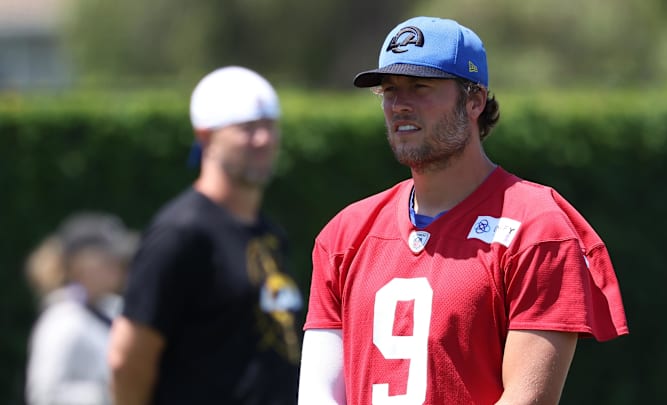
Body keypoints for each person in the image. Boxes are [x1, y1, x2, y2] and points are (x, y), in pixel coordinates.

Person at [298, 16, 629, 405]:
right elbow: (318, 393)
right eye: (389, 90)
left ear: (474, 100)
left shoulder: (537, 227)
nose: (399, 105)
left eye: (420, 87)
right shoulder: (345, 233)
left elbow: (528, 399)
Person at [107, 66, 303, 405]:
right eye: (247, 128)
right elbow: (126, 358)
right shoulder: (181, 233)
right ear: (205, 136)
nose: (264, 139)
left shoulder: (269, 234)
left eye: (270, 126)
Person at [25, 212, 137, 405]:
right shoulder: (61, 321)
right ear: (79, 265)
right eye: (107, 258)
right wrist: (113, 391)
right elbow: (44, 395)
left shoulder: (112, 307)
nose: (118, 265)